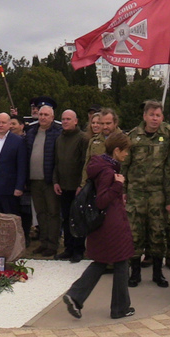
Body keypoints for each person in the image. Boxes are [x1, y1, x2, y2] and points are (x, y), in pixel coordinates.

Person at [62, 132, 135, 320]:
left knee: (102, 261)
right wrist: (118, 186)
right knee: (121, 261)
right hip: (111, 225)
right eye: (125, 151)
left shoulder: (100, 165)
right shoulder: (108, 172)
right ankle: (120, 308)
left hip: (102, 225)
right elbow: (102, 200)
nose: (127, 155)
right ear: (117, 150)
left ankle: (76, 296)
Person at [122, 100, 170, 288]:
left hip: (157, 194)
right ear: (144, 116)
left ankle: (157, 273)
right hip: (136, 194)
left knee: (157, 233)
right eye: (151, 115)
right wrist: (123, 191)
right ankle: (135, 273)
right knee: (135, 234)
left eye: (158, 115)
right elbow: (124, 166)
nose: (155, 119)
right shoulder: (132, 137)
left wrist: (169, 198)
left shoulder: (168, 135)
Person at [26, 104, 64, 257]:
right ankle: (43, 242)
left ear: (52, 117)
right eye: (41, 114)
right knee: (40, 213)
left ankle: (53, 244)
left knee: (53, 213)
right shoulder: (31, 132)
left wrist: (55, 179)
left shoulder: (58, 133)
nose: (42, 117)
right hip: (34, 180)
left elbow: (58, 159)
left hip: (49, 181)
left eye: (46, 115)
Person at [53, 109, 89, 263]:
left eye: (68, 119)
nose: (65, 121)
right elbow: (56, 162)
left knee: (78, 219)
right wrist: (55, 181)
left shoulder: (82, 138)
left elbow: (85, 164)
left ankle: (78, 249)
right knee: (66, 218)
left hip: (77, 187)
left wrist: (82, 185)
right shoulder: (59, 138)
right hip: (63, 186)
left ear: (76, 121)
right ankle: (68, 248)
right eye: (63, 119)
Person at [82, 108, 119, 183]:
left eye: (108, 123)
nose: (105, 127)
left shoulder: (124, 140)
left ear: (115, 123)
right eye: (102, 123)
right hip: (97, 185)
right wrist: (83, 185)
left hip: (116, 185)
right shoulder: (94, 141)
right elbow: (87, 165)